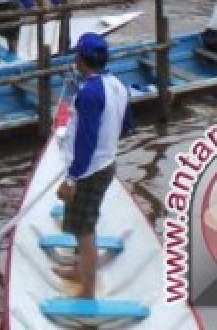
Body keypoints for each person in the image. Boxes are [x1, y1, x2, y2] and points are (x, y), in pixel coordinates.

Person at [55, 33, 132, 300]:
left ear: (80, 58)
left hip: (89, 170)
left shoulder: (89, 93)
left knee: (84, 230)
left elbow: (86, 141)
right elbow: (127, 124)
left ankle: (87, 291)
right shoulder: (118, 85)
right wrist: (107, 145)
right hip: (106, 163)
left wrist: (72, 179)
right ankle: (80, 269)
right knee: (83, 223)